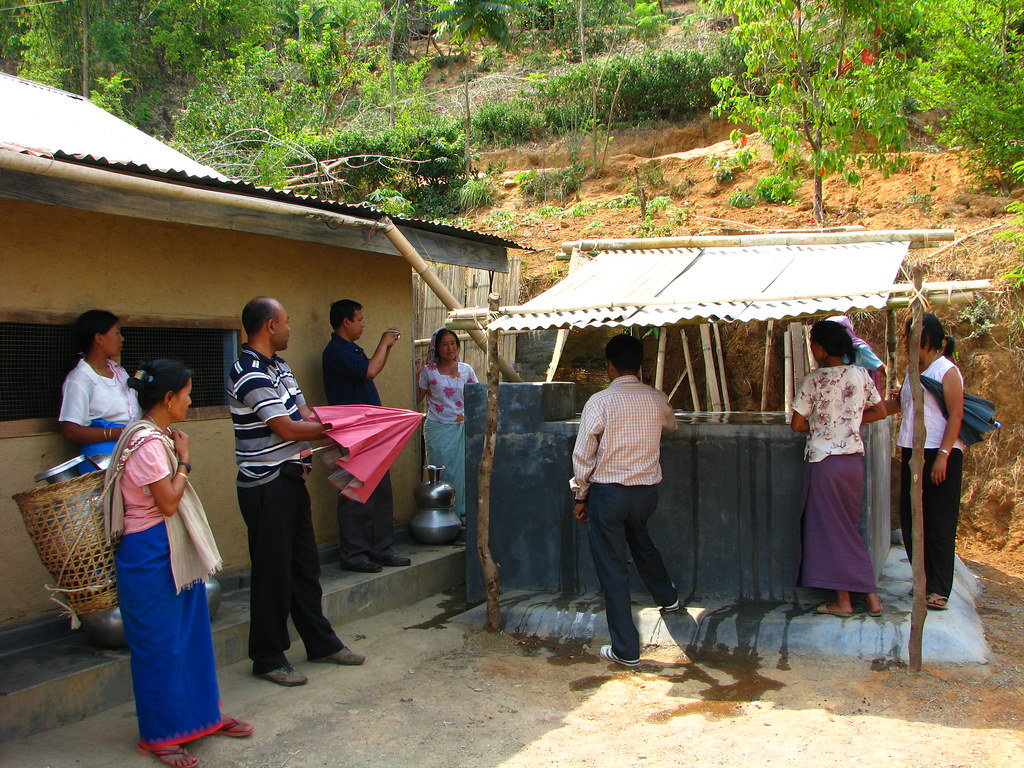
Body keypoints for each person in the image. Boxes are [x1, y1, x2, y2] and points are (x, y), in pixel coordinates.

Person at [104, 360, 252, 768]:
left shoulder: (155, 434)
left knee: (191, 635)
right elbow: (168, 503)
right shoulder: (150, 443)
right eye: (186, 394)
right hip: (149, 552)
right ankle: (161, 735)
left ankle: (203, 716)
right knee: (159, 644)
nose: (190, 400)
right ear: (168, 399)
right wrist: (184, 460)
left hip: (170, 551)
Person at [229, 297, 365, 688]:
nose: (290, 329)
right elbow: (286, 428)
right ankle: (268, 656)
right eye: (286, 322)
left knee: (305, 567)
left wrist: (344, 422)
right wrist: (339, 430)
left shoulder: (280, 367)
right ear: (270, 326)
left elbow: (305, 416)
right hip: (264, 484)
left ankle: (321, 643)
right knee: (273, 572)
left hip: (290, 478)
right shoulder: (249, 372)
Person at [569, 334, 679, 668]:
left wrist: (581, 494)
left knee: (613, 568)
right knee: (640, 539)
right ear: (640, 365)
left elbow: (584, 453)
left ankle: (626, 649)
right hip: (645, 495)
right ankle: (668, 597)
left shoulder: (599, 401)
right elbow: (671, 427)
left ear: (610, 366)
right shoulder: (656, 398)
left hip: (609, 495)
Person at [791, 320, 888, 618]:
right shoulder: (860, 375)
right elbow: (880, 411)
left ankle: (843, 601)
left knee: (831, 532)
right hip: (851, 464)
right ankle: (871, 598)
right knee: (848, 529)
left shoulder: (814, 380)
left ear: (819, 348)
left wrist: (823, 426)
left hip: (824, 464)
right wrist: (850, 423)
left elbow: (797, 424)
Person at [884, 313, 965, 611]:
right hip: (912, 452)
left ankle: (940, 588)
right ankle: (922, 580)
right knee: (911, 517)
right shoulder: (911, 371)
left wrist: (943, 456)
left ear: (928, 339)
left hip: (939, 452)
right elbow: (898, 405)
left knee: (938, 520)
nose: (907, 343)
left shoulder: (947, 371)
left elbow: (956, 415)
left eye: (912, 337)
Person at [322, 298, 410, 572]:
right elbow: (371, 370)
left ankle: (381, 548)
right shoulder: (336, 351)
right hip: (351, 432)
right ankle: (354, 554)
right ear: (345, 321)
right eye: (359, 319)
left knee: (380, 490)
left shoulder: (351, 349)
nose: (362, 324)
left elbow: (369, 368)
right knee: (355, 493)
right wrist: (384, 343)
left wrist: (385, 347)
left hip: (371, 430)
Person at [416, 328, 479, 526]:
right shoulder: (428, 372)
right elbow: (416, 399)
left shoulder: (466, 370)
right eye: (445, 344)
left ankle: (463, 516)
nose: (450, 348)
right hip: (438, 429)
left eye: (453, 343)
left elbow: (476, 397)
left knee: (463, 473)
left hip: (462, 428)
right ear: (436, 348)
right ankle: (443, 518)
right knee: (443, 473)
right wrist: (416, 375)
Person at [60, 309, 141, 462]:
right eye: (117, 333)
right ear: (99, 338)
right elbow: (70, 431)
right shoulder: (80, 379)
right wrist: (117, 433)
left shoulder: (119, 371)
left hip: (130, 449)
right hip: (104, 458)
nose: (122, 338)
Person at [828, 315, 886, 395]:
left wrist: (898, 386)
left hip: (862, 397)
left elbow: (882, 367)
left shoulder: (859, 349)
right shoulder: (830, 353)